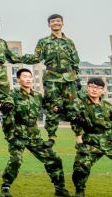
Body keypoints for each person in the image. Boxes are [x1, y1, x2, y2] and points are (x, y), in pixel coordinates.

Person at [0, 68, 74, 197]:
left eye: (30, 76)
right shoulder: (12, 96)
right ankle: (6, 187)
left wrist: (57, 109)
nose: (28, 79)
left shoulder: (37, 96)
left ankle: (60, 188)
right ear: (18, 79)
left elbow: (50, 107)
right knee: (16, 160)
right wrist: (10, 137)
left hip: (34, 135)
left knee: (54, 159)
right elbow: (6, 117)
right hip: (18, 134)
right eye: (24, 76)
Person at [30, 14, 81, 145]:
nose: (56, 23)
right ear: (49, 25)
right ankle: (51, 137)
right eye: (53, 22)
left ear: (62, 23)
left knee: (74, 107)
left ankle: (79, 137)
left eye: (58, 21)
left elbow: (75, 61)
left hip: (69, 78)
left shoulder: (69, 42)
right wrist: (18, 58)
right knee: (53, 107)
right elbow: (36, 58)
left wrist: (77, 79)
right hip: (52, 78)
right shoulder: (43, 41)